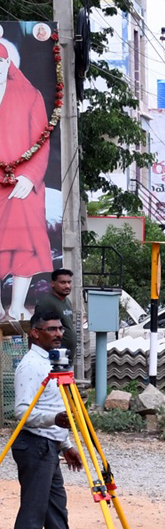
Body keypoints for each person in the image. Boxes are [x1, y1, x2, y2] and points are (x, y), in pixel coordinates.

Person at [1, 309, 97, 529]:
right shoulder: (32, 366)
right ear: (35, 333)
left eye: (59, 329)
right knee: (34, 508)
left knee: (56, 507)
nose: (58, 334)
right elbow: (22, 411)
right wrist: (54, 421)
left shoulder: (54, 363)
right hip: (34, 445)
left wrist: (66, 444)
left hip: (50, 444)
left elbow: (55, 407)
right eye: (51, 329)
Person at [0, 41, 56, 323]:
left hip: (21, 183)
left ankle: (17, 304)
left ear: (9, 66)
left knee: (27, 226)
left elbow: (42, 143)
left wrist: (29, 176)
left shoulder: (30, 96)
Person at [33, 268, 75, 364]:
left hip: (66, 357)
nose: (67, 286)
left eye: (69, 282)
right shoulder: (46, 303)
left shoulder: (67, 302)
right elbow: (37, 332)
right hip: (54, 359)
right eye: (63, 282)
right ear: (52, 284)